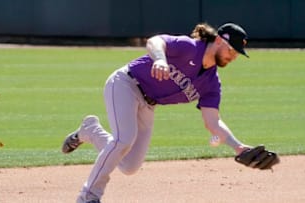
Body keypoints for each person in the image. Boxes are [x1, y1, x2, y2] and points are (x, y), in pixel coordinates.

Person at [62, 22, 252, 203]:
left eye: (237, 53)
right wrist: (160, 58)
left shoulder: (211, 84)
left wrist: (238, 147)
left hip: (148, 105)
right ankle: (88, 196)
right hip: (125, 84)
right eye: (232, 49)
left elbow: (212, 122)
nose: (233, 56)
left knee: (129, 166)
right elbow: (155, 41)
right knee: (123, 140)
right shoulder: (190, 47)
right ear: (218, 40)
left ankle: (91, 131)